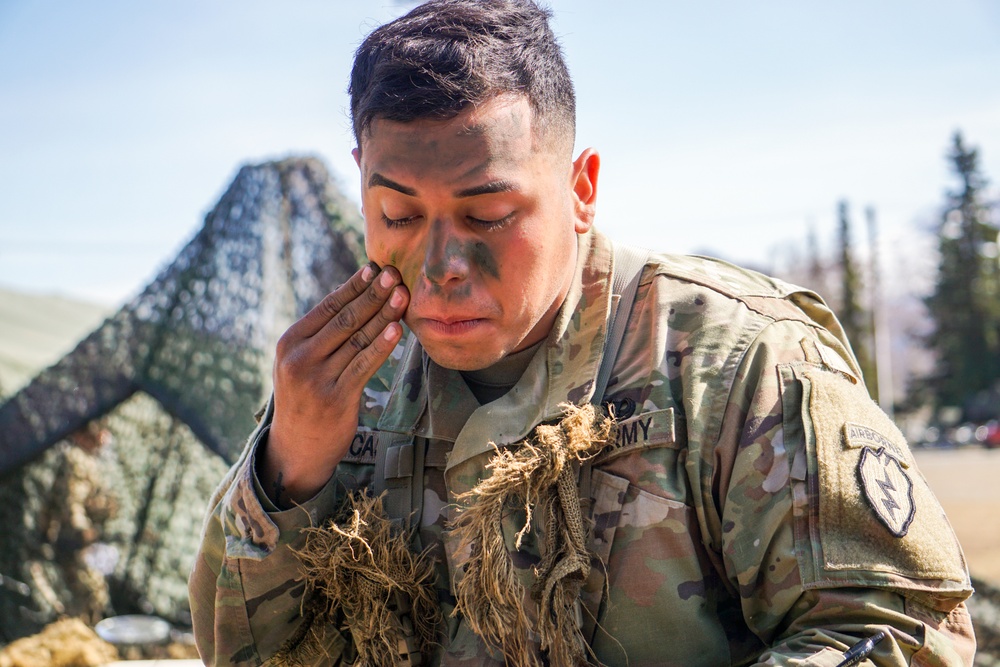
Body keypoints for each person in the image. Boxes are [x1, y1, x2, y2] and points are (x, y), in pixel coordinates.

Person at [189, 1, 976, 665]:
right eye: (397, 215)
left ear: (580, 188)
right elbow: (244, 652)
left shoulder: (736, 361)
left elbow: (900, 633)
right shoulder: (345, 383)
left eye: (488, 214)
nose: (440, 267)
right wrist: (286, 475)